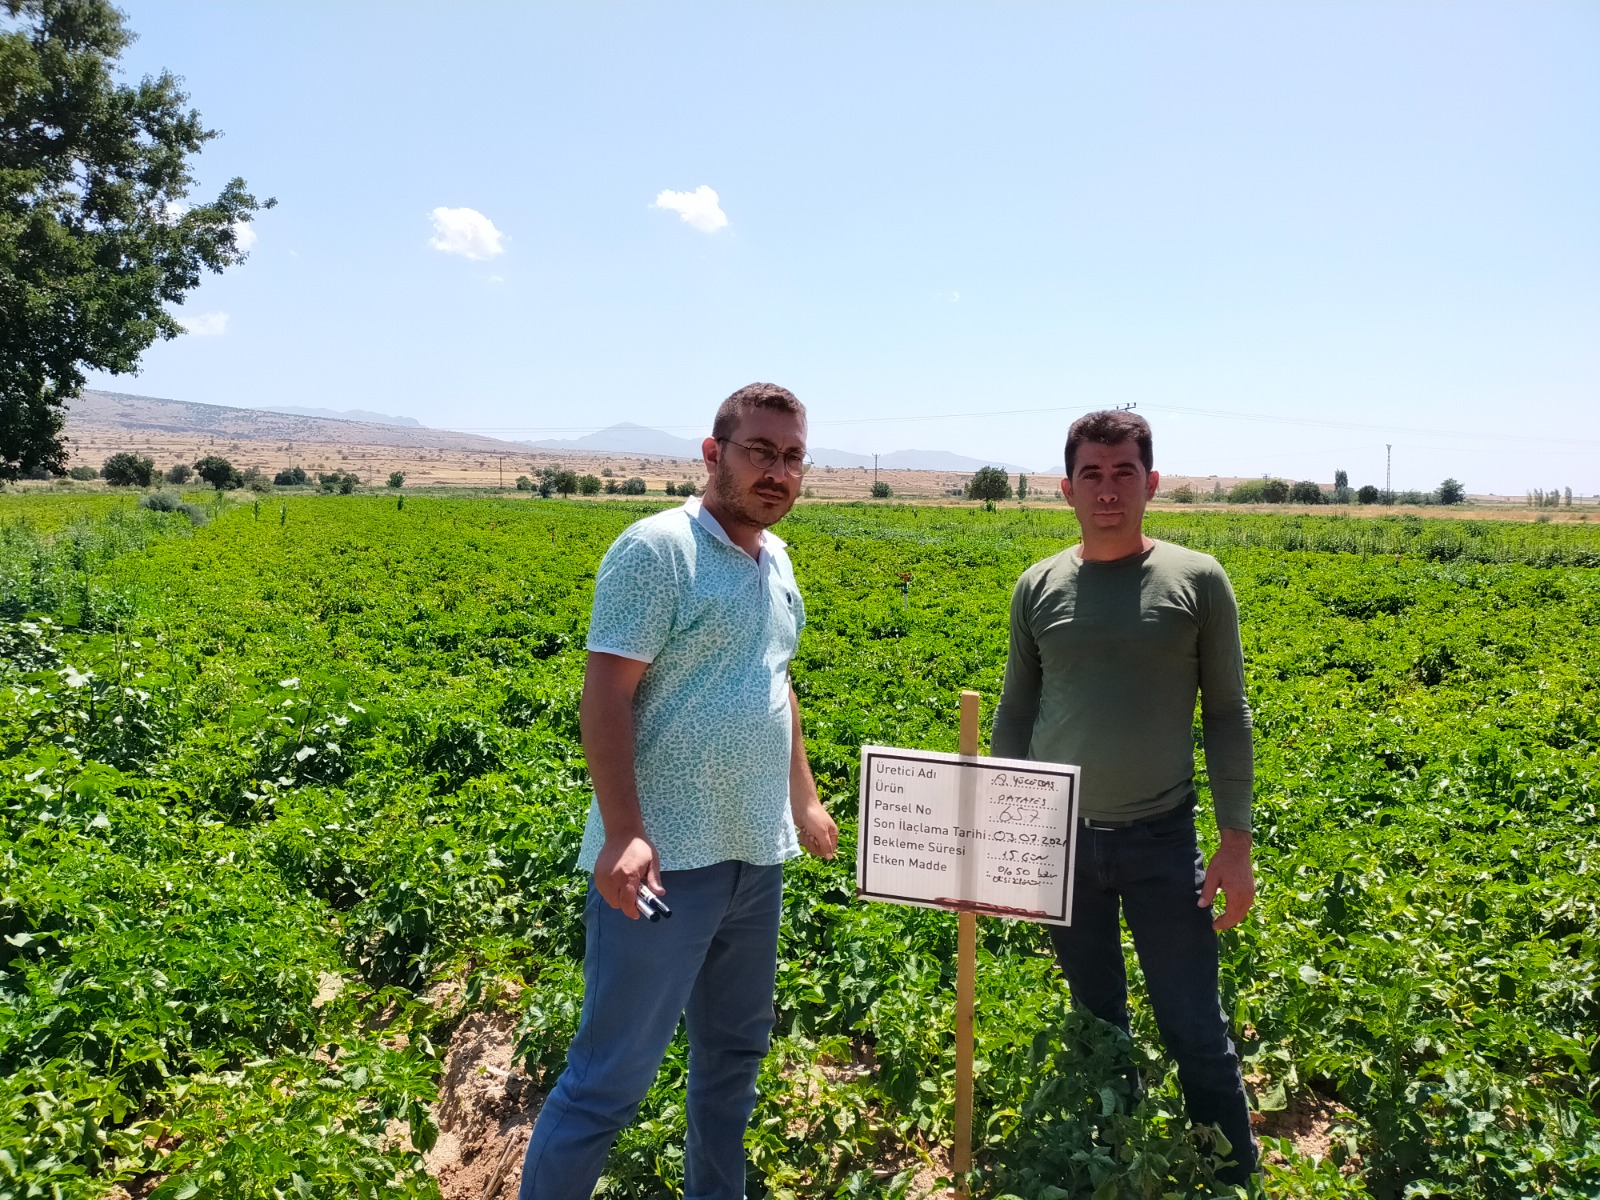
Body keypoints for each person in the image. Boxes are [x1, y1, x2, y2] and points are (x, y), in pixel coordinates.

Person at [518, 382, 839, 1200]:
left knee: (732, 1064)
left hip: (754, 858)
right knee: (608, 1082)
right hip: (665, 868)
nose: (777, 472)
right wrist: (625, 832)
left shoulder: (777, 559)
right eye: (759, 452)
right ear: (712, 453)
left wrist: (802, 799)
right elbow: (605, 696)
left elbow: (775, 681)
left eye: (792, 456)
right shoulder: (658, 550)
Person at [990, 409, 1258, 1185]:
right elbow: (1015, 711)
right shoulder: (1038, 586)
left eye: (1123, 473)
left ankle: (1228, 1173)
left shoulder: (1197, 580)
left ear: (1152, 482)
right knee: (1096, 1017)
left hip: (1160, 840)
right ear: (1066, 488)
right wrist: (1004, 835)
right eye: (1092, 475)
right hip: (1061, 840)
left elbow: (1227, 713)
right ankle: (1111, 1156)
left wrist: (1235, 842)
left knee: (1193, 1021)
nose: (1108, 491)